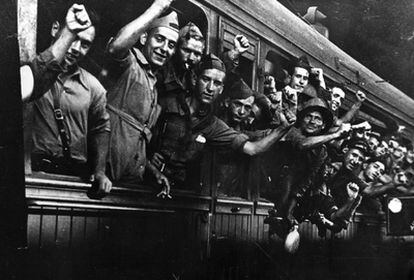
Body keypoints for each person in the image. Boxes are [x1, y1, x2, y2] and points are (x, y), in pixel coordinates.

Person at [149, 54, 292, 192]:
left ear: (221, 89)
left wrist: (282, 129)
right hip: (143, 183)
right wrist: (148, 160)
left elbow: (253, 149)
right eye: (206, 79)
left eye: (217, 83)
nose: (210, 88)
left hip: (179, 192)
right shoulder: (166, 102)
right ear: (194, 79)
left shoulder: (212, 124)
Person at [28, 4, 112, 196]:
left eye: (85, 44)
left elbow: (101, 128)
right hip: (33, 173)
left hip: (73, 179)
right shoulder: (31, 72)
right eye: (74, 38)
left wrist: (100, 171)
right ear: (55, 28)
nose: (76, 48)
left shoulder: (94, 87)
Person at [105, 0, 178, 190]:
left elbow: (135, 140)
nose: (165, 49)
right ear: (144, 38)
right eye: (160, 39)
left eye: (171, 45)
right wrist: (157, 9)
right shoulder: (129, 64)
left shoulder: (153, 83)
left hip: (128, 182)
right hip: (105, 178)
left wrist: (152, 171)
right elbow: (116, 46)